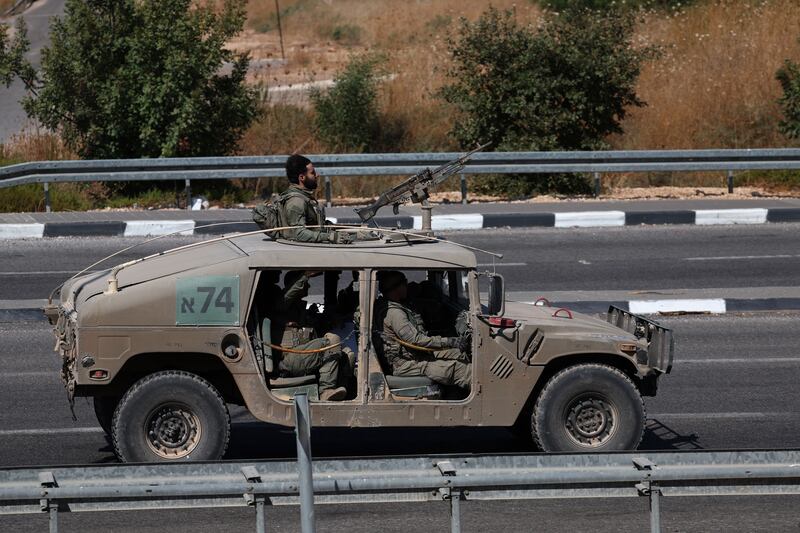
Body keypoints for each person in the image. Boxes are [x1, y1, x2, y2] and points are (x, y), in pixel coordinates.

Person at [374, 271, 471, 389]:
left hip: (413, 356)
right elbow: (415, 340)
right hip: (405, 364)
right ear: (397, 288)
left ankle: (456, 392)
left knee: (459, 353)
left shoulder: (396, 305)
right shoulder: (395, 313)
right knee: (460, 370)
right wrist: (449, 341)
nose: (407, 286)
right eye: (405, 283)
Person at [270, 270, 351, 401]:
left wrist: (334, 318)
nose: (308, 286)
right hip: (288, 359)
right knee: (332, 341)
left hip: (303, 355)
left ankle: (342, 393)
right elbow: (286, 298)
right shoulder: (281, 307)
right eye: (305, 284)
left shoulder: (303, 310)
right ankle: (326, 390)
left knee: (347, 354)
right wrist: (305, 276)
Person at [281, 154, 353, 244]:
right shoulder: (296, 202)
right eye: (312, 173)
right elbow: (298, 233)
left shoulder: (305, 197)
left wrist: (353, 233)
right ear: (302, 177)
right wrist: (329, 237)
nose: (317, 175)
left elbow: (316, 227)